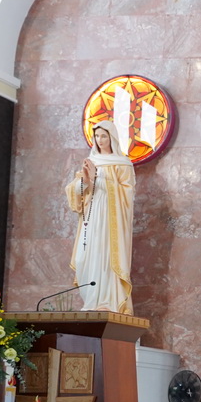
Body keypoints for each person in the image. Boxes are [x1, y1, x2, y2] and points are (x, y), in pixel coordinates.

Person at [63, 120, 135, 314]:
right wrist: (86, 181)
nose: (100, 140)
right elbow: (74, 190)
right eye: (97, 136)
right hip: (91, 217)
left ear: (112, 138)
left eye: (104, 136)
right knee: (85, 257)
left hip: (112, 220)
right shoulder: (91, 161)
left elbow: (127, 194)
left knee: (106, 256)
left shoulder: (123, 164)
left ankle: (108, 302)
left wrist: (99, 179)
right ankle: (91, 301)